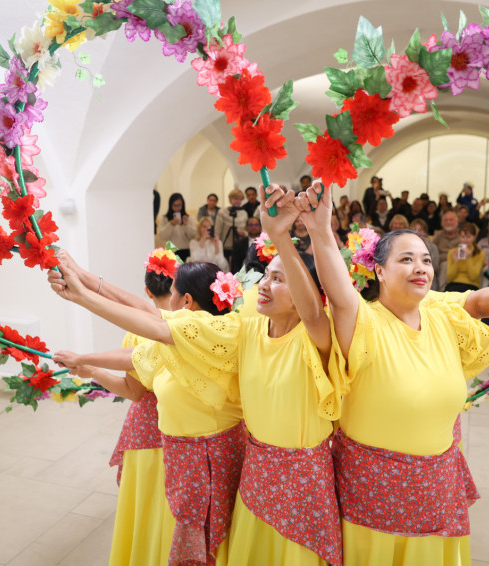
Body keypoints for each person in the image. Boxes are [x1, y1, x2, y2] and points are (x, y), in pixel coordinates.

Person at [50, 184, 346, 565]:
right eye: (266, 276)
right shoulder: (243, 329)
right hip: (255, 478)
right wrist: (86, 292)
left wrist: (281, 238)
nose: (264, 285)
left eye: (279, 278)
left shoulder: (316, 335)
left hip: (302, 482)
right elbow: (157, 321)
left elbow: (311, 312)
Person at [295, 182, 489, 565]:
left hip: (436, 489)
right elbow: (339, 295)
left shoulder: (444, 317)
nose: (420, 268)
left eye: (426, 260)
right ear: (379, 271)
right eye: (406, 259)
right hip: (372, 492)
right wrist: (320, 230)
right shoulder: (364, 323)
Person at [51, 254, 242, 566]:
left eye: (173, 293)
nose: (165, 302)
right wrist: (85, 360)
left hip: (208, 458)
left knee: (206, 544)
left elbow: (151, 320)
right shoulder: (182, 334)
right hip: (185, 457)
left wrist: (81, 295)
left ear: (187, 301)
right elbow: (138, 348)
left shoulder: (217, 330)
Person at [445, 223, 485, 292]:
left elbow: (474, 277)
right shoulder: (452, 252)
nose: (465, 240)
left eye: (468, 237)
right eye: (463, 237)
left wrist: (468, 258)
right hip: (453, 285)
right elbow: (449, 278)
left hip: (471, 286)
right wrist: (456, 262)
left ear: (474, 237)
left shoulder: (480, 254)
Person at [158, 193, 196, 260]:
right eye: (174, 205)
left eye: (179, 205)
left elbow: (193, 235)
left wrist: (186, 225)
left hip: (186, 250)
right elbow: (162, 236)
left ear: (183, 205)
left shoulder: (189, 218)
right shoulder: (164, 218)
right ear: (170, 205)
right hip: (171, 251)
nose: (177, 208)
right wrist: (170, 224)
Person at [216, 189, 249, 262]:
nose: (238, 201)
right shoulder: (222, 212)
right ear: (230, 199)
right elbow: (217, 231)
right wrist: (217, 246)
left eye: (240, 199)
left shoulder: (244, 213)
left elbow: (247, 231)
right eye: (236, 199)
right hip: (225, 246)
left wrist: (243, 233)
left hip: (240, 246)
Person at [410, 218, 440, 291]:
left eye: (420, 230)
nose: (417, 232)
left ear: (425, 231)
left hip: (427, 276)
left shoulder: (433, 247)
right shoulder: (407, 247)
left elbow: (434, 265)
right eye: (414, 230)